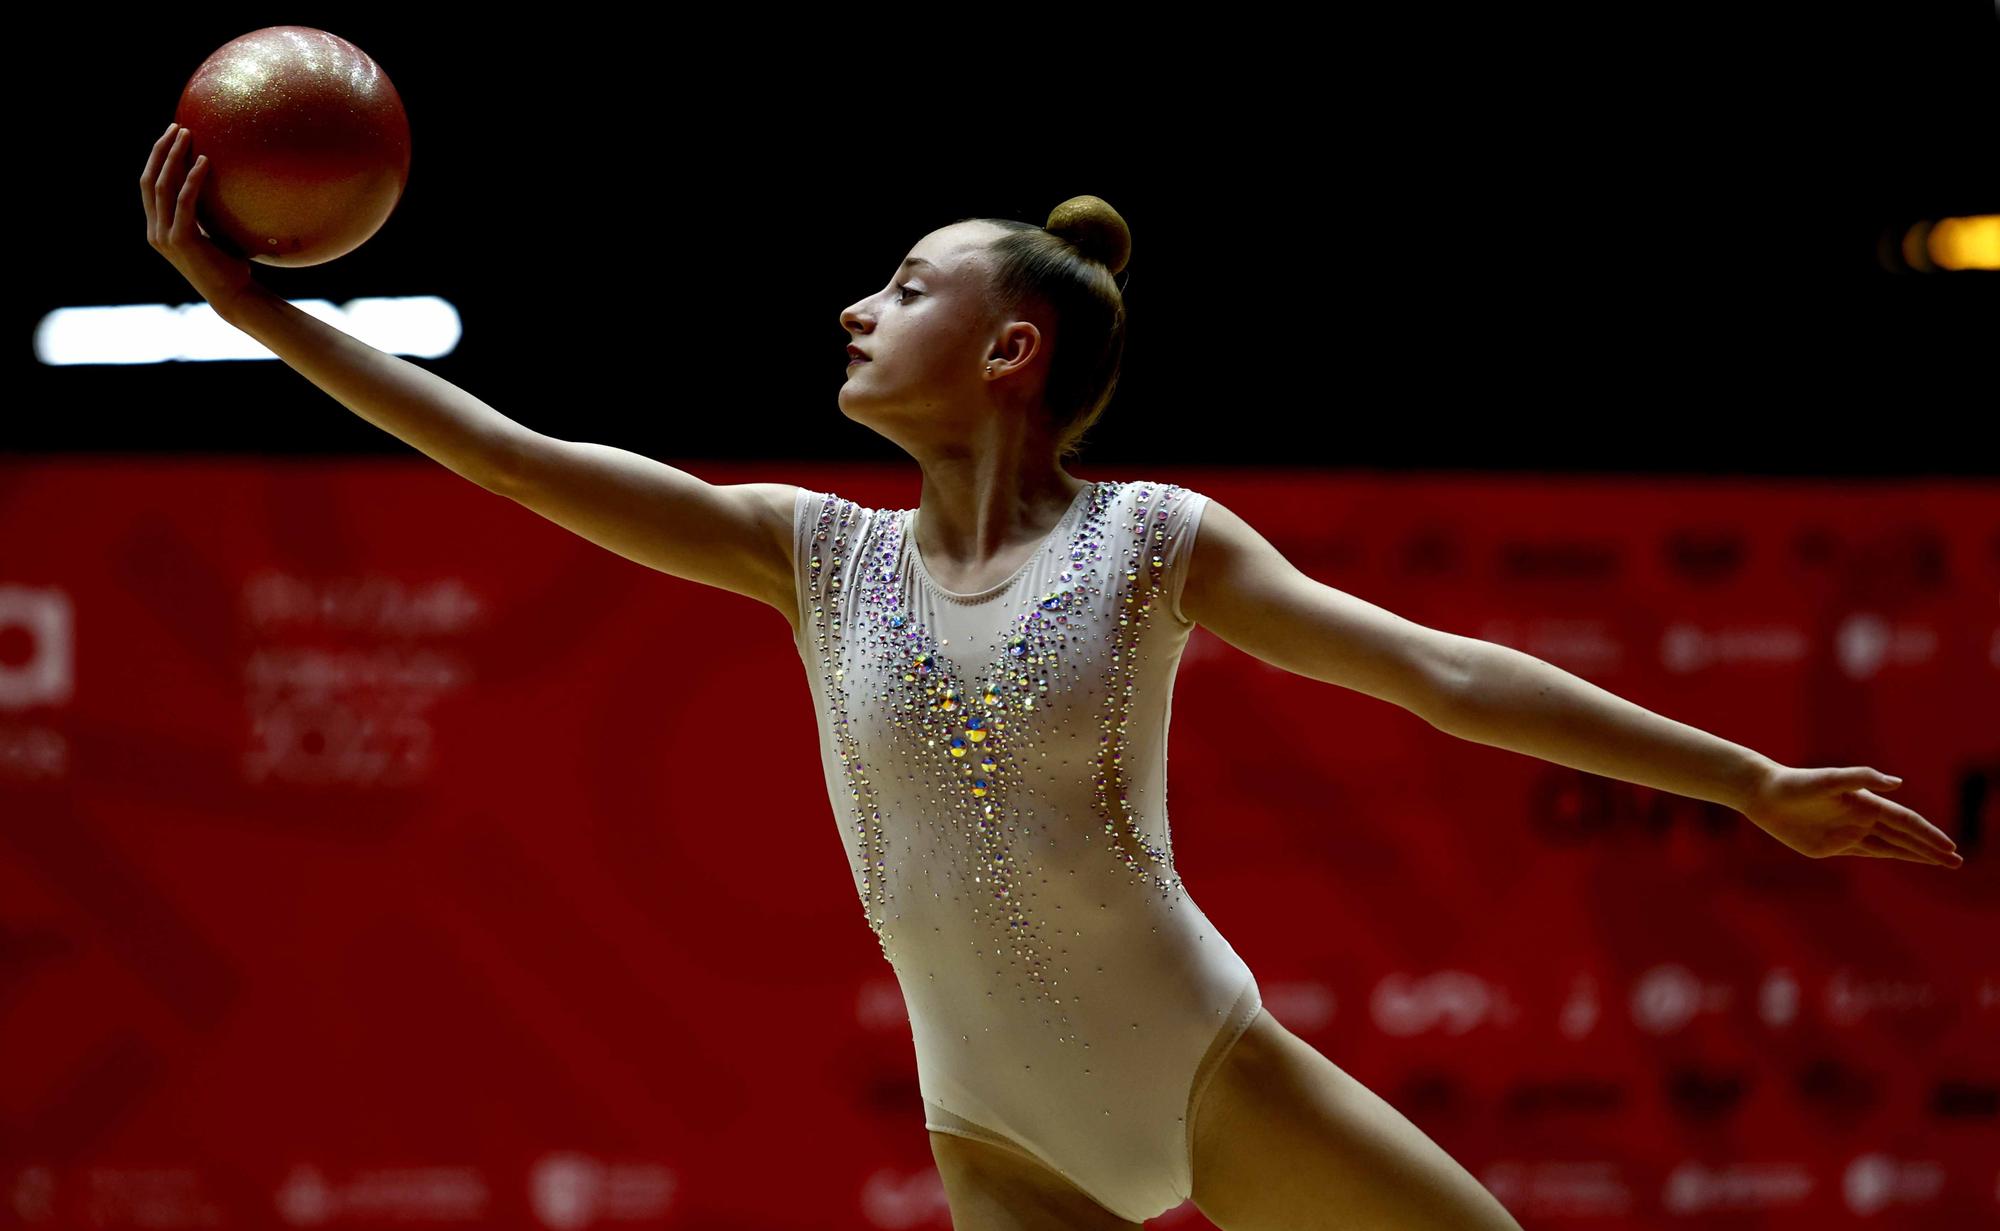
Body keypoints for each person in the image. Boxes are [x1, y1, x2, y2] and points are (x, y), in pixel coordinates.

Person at [144, 122, 1962, 1231]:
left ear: (1008, 347)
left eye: (904, 282)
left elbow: (1439, 672)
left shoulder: (1157, 541)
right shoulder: (811, 550)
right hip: (995, 1135)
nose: (858, 306)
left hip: (1208, 1069)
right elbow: (519, 456)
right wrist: (272, 318)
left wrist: (1749, 783)